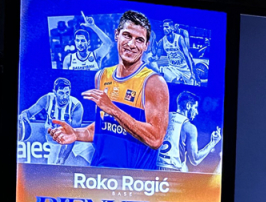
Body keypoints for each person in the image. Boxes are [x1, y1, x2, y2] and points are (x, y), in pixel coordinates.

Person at [48, 10, 170, 171]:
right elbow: (103, 126)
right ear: (116, 35)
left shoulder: (154, 82)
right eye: (127, 35)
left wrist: (114, 109)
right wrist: (76, 134)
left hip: (135, 183)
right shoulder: (102, 76)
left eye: (139, 40)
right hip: (99, 178)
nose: (132, 44)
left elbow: (155, 138)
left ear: (146, 46)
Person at [18, 77, 83, 164]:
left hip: (69, 136)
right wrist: (23, 115)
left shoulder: (76, 106)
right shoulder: (47, 99)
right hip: (51, 134)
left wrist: (63, 157)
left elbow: (73, 135)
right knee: (52, 163)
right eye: (61, 93)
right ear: (55, 92)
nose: (65, 96)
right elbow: (29, 112)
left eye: (67, 93)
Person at [157, 91, 222, 172]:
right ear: (188, 106)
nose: (197, 112)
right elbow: (195, 160)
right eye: (195, 107)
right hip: (173, 171)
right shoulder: (189, 127)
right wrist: (213, 143)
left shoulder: (163, 117)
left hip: (153, 169)